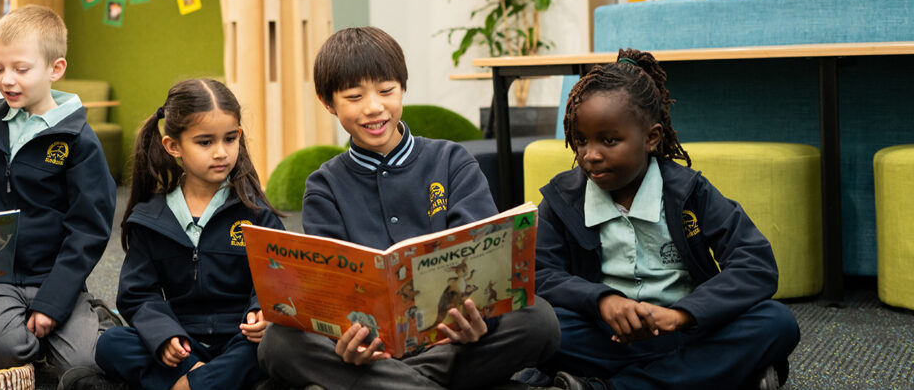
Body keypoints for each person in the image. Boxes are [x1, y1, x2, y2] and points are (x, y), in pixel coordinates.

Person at [257, 26, 560, 390]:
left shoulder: (451, 161)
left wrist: (480, 322)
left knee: (539, 320)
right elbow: (333, 296)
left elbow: (482, 264)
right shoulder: (324, 186)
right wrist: (347, 343)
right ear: (328, 102)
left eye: (386, 91)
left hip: (452, 341)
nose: (374, 107)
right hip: (373, 353)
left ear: (403, 87)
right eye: (354, 97)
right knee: (278, 343)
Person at [534, 49, 799, 390]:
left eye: (609, 140)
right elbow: (541, 275)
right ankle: (711, 374)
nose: (591, 155)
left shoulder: (690, 192)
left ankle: (610, 386)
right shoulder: (561, 200)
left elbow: (756, 264)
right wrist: (603, 301)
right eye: (581, 141)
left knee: (776, 322)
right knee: (535, 327)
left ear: (652, 138)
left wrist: (682, 314)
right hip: (605, 336)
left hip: (685, 331)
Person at [0, 5, 117, 380]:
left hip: (55, 277)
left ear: (55, 69)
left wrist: (52, 303)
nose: (6, 80)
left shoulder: (79, 140)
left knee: (85, 367)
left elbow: (89, 229)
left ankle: (85, 316)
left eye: (21, 69)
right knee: (2, 351)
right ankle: (31, 338)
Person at [73, 79, 283, 390]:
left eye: (229, 139)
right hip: (182, 347)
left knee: (279, 346)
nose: (221, 153)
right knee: (111, 343)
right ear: (173, 146)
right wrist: (164, 335)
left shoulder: (256, 213)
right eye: (205, 142)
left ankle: (185, 386)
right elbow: (137, 294)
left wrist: (260, 312)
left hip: (242, 340)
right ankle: (209, 381)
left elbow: (277, 277)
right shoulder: (150, 217)